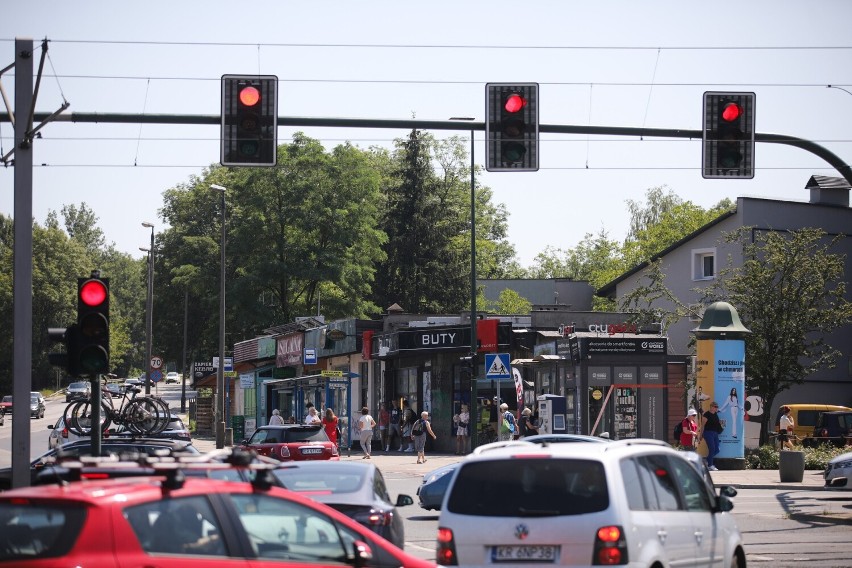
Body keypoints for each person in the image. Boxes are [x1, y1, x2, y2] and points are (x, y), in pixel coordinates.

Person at [700, 401, 723, 470]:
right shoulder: (707, 414)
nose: (716, 408)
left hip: (715, 433)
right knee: (712, 448)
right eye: (715, 407)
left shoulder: (715, 414)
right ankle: (710, 465)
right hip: (708, 433)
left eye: (717, 407)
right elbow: (702, 425)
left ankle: (706, 460)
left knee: (717, 449)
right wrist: (701, 435)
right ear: (711, 407)